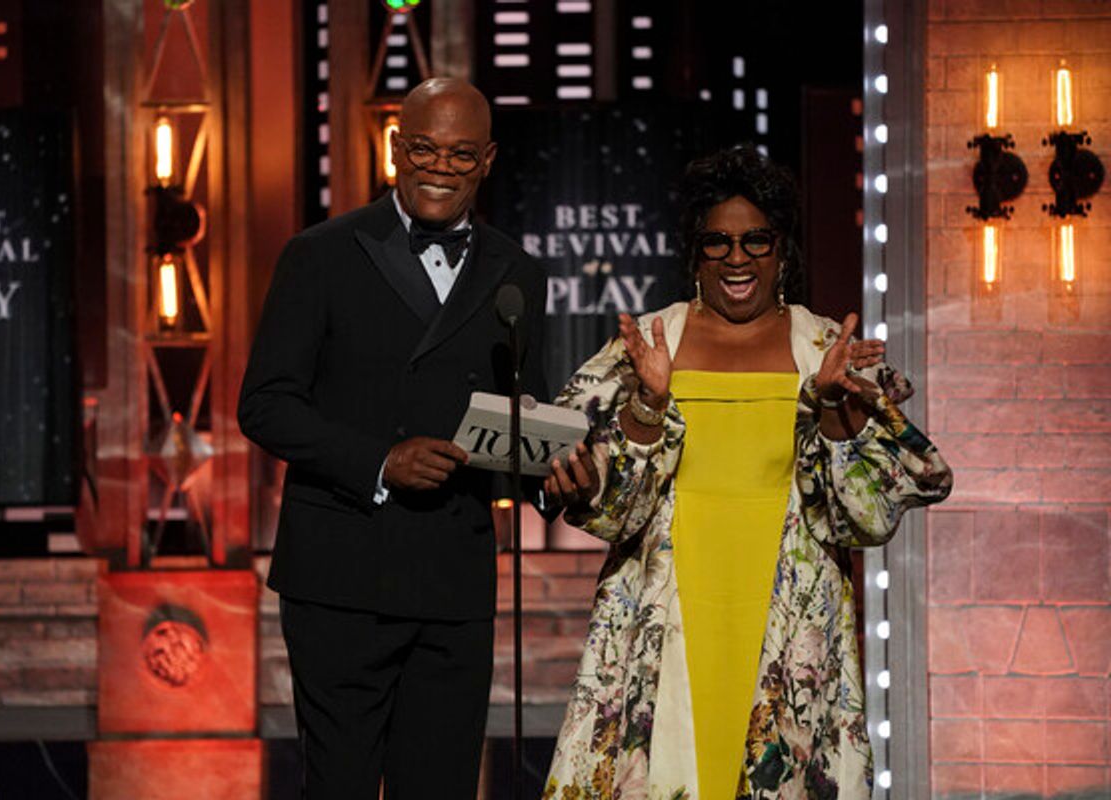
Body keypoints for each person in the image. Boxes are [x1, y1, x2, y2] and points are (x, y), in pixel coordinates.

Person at [541, 145, 952, 799]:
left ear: (781, 248)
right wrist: (646, 406)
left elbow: (870, 518)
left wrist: (835, 408)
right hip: (663, 609)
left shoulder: (825, 349)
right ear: (695, 253)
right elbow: (599, 498)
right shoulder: (648, 344)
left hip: (789, 617)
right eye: (718, 243)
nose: (737, 258)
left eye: (755, 240)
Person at [237, 77, 548, 799]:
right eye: (425, 150)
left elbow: (522, 409)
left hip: (455, 578)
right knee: (340, 785)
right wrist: (379, 460)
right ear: (394, 149)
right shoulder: (319, 255)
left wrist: (556, 467)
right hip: (341, 576)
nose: (441, 168)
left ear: (488, 160)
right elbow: (266, 404)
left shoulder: (518, 273)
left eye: (461, 154)